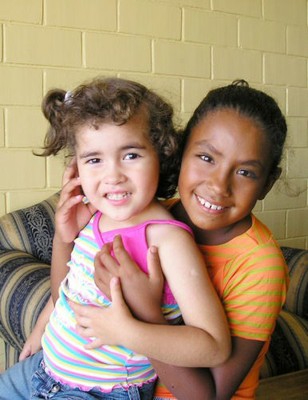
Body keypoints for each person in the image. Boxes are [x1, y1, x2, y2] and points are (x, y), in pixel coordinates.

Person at [0, 77, 230, 399]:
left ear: (161, 155)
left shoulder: (166, 241)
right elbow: (65, 293)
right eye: (94, 159)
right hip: (43, 370)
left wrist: (128, 332)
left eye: (131, 155)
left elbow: (214, 347)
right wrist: (63, 239)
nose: (113, 175)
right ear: (76, 167)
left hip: (104, 391)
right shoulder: (96, 217)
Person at [66, 80, 290, 399]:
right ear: (181, 150)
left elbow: (208, 396)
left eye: (245, 173)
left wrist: (146, 309)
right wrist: (66, 237)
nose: (218, 185)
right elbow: (75, 295)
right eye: (207, 158)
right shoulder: (156, 217)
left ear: (267, 183)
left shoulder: (260, 267)